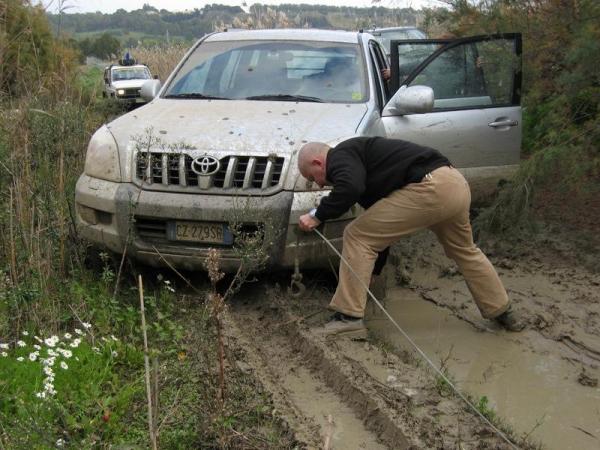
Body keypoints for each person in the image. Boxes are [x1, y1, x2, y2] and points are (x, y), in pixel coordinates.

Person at [297, 137, 525, 337]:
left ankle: (348, 320)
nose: (318, 184)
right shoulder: (363, 162)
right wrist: (373, 272)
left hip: (430, 187)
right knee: (465, 251)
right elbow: (381, 231)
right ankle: (503, 311)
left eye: (312, 177)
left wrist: (318, 215)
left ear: (318, 162)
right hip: (455, 184)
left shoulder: (341, 154)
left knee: (356, 235)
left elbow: (350, 188)